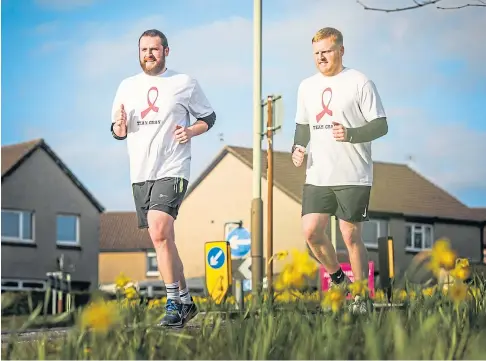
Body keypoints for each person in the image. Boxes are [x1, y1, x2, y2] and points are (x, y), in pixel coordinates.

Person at [110, 29, 216, 327]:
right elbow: (118, 131)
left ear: (166, 51)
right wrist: (119, 126)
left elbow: (208, 117)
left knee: (159, 231)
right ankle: (185, 300)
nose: (149, 55)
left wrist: (190, 131)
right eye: (144, 50)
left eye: (154, 49)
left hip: (173, 167)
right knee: (163, 239)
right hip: (141, 173)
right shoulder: (127, 86)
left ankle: (172, 303)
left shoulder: (184, 83)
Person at [291, 27, 388, 312]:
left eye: (327, 51)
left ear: (341, 51)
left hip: (353, 172)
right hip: (318, 173)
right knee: (310, 231)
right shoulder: (306, 86)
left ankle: (361, 298)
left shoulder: (360, 82)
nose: (321, 57)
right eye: (316, 53)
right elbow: (303, 126)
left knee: (350, 235)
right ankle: (338, 279)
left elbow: (381, 124)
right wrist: (298, 147)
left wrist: (350, 134)